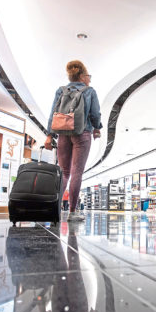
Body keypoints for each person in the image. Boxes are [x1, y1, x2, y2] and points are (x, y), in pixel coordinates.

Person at [45, 60, 102, 222]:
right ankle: (72, 211)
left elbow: (53, 113)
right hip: (82, 133)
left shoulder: (61, 91)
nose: (89, 79)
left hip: (63, 133)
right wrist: (97, 127)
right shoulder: (89, 91)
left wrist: (50, 135)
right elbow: (95, 114)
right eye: (88, 76)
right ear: (82, 76)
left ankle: (52, 208)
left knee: (64, 172)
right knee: (77, 171)